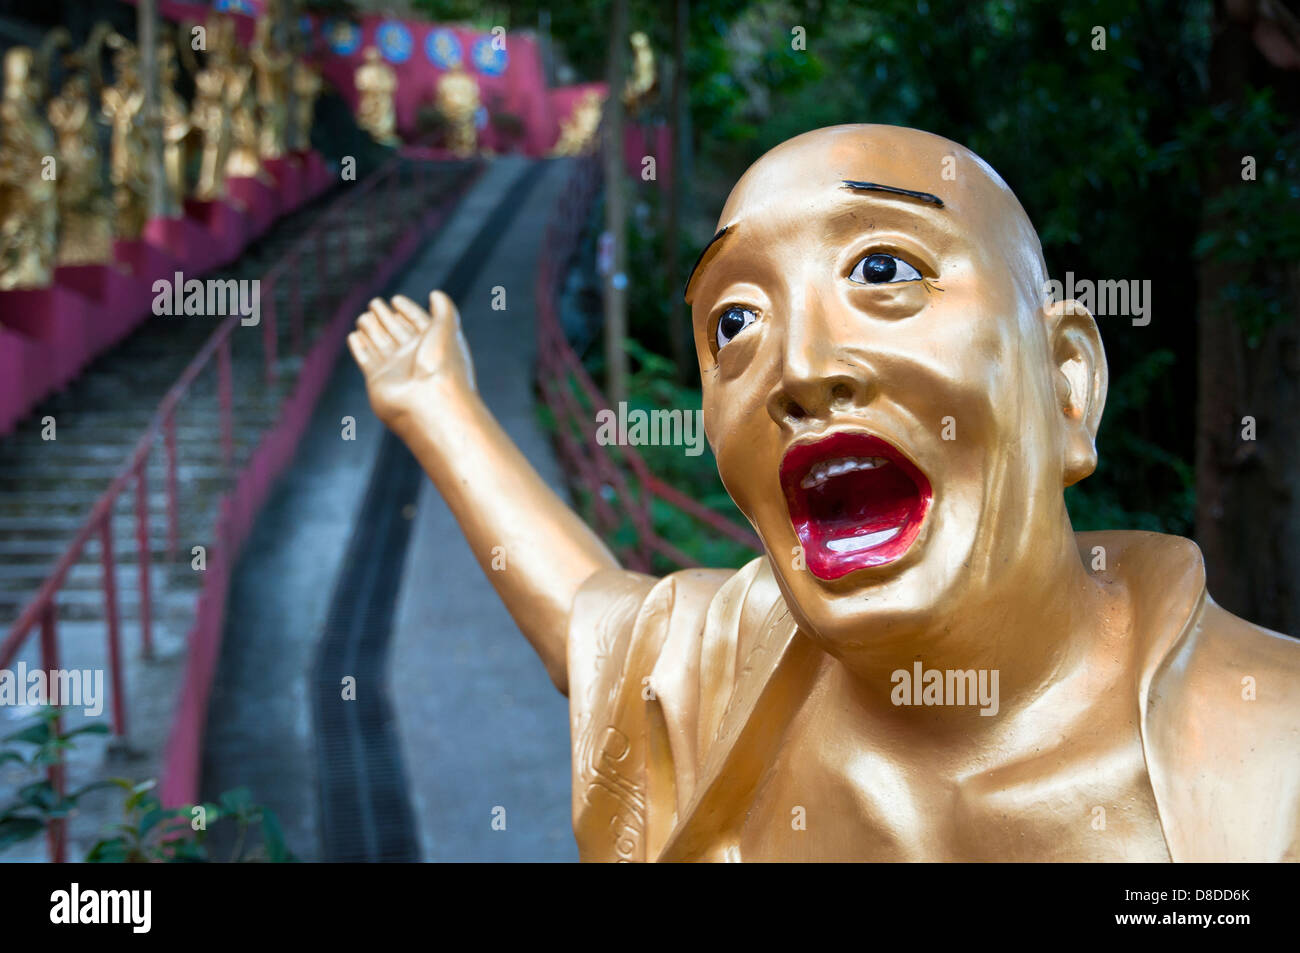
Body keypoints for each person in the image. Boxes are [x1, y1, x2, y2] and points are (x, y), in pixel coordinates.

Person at [348, 125, 1300, 862]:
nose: (798, 365)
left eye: (881, 270)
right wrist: (435, 404)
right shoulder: (746, 669)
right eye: (735, 320)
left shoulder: (1267, 764)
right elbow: (594, 631)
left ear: (1065, 383)